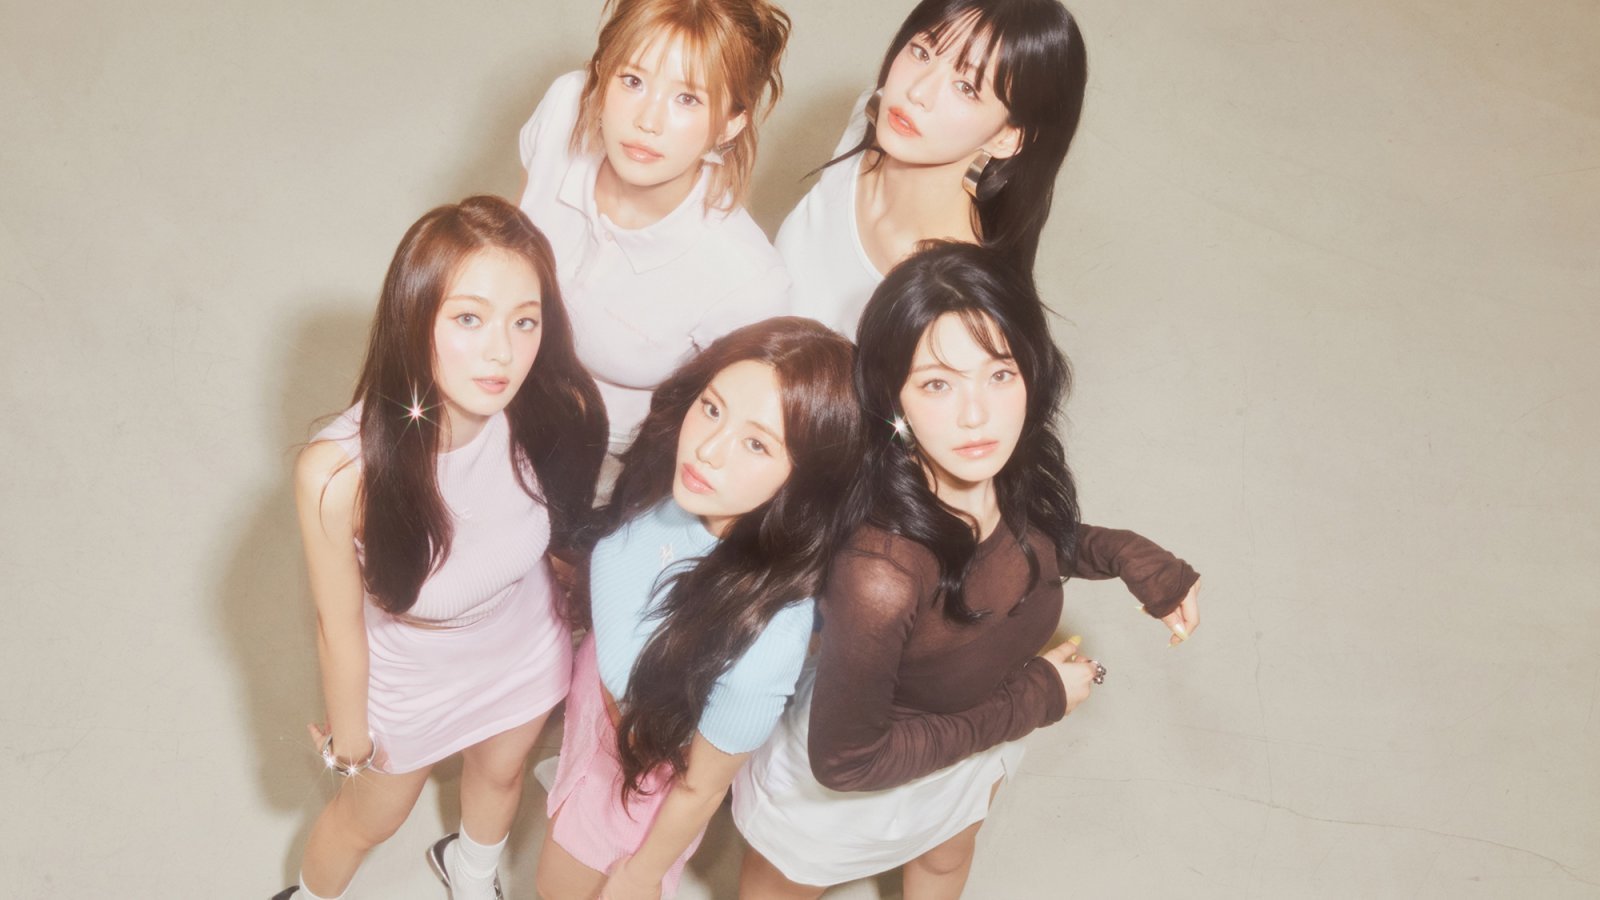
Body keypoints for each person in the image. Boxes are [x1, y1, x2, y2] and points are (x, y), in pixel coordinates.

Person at [734, 243, 1200, 898]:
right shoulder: (881, 575)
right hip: (866, 776)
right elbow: (847, 762)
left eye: (999, 374)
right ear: (893, 400)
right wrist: (1035, 698)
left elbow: (1023, 544)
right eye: (937, 383)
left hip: (972, 739)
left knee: (945, 861)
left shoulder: (1001, 461)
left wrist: (1126, 554)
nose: (977, 414)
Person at [273, 196, 607, 900]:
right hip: (411, 682)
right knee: (369, 820)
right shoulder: (338, 475)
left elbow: (553, 538)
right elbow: (338, 624)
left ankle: (471, 873)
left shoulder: (547, 411)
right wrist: (351, 740)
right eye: (468, 318)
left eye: (524, 321)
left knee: (502, 775)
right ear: (413, 317)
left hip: (523, 650)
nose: (502, 353)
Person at [535, 317, 862, 900]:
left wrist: (637, 876)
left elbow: (700, 788)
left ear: (807, 480)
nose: (707, 450)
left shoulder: (767, 639)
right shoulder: (686, 486)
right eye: (712, 409)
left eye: (757, 444)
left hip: (629, 794)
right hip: (593, 722)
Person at [516, 0, 794, 466]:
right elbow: (502, 251)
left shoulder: (750, 281)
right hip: (498, 380)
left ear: (731, 122)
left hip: (609, 457)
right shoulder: (565, 106)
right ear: (601, 74)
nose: (647, 121)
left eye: (688, 98)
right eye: (632, 80)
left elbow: (727, 446)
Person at [777, 0, 1088, 335]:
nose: (917, 92)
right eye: (922, 52)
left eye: (966, 88)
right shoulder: (869, 121)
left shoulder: (953, 304)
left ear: (1007, 138)